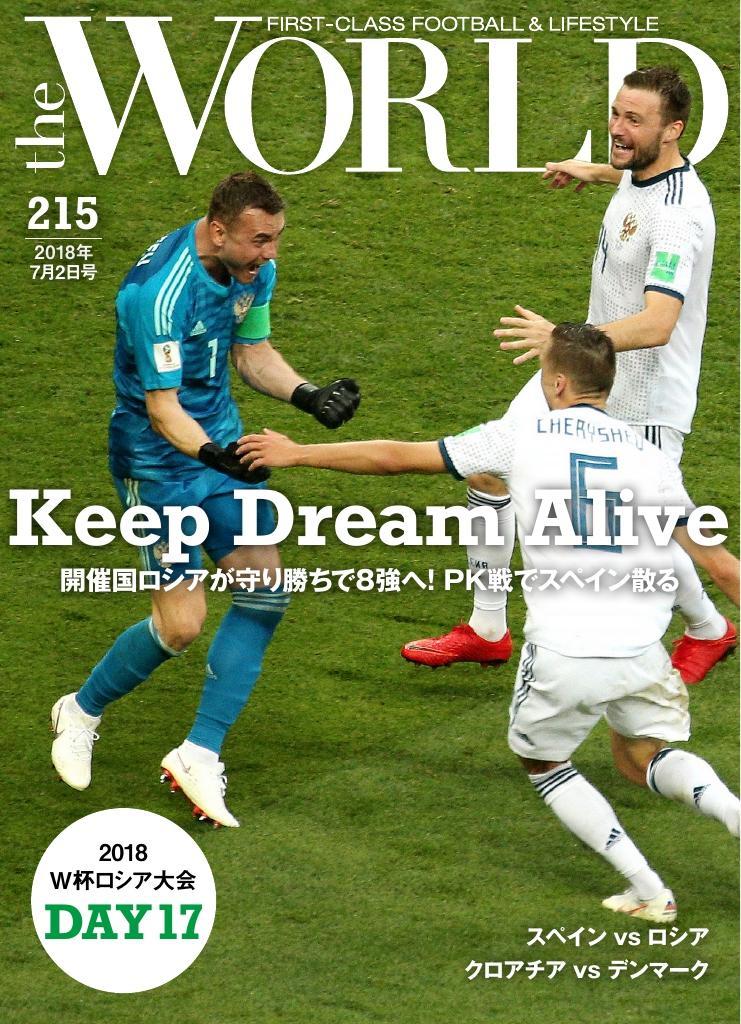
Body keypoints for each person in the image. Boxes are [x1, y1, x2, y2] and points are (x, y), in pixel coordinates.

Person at [237, 323, 740, 919]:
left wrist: (297, 452)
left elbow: (396, 458)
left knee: (545, 763)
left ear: (558, 382)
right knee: (642, 757)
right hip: (642, 646)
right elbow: (722, 567)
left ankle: (648, 890)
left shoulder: (518, 437)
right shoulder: (651, 459)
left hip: (564, 649)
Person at [401, 66, 736, 684]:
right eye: (616, 113)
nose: (617, 128)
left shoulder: (677, 218)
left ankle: (710, 628)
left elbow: (659, 322)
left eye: (634, 120)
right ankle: (487, 628)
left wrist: (561, 337)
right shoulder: (646, 173)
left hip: (642, 399)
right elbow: (637, 182)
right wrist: (597, 171)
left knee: (664, 534)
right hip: (586, 371)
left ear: (673, 130)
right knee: (487, 466)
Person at [50, 171, 360, 828]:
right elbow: (162, 409)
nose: (269, 254)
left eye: (275, 239)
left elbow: (252, 352)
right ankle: (79, 711)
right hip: (157, 465)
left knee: (265, 590)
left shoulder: (250, 269)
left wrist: (308, 395)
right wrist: (211, 454)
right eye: (259, 241)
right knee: (181, 626)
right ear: (219, 231)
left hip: (218, 448)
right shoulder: (156, 296)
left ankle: (198, 752)